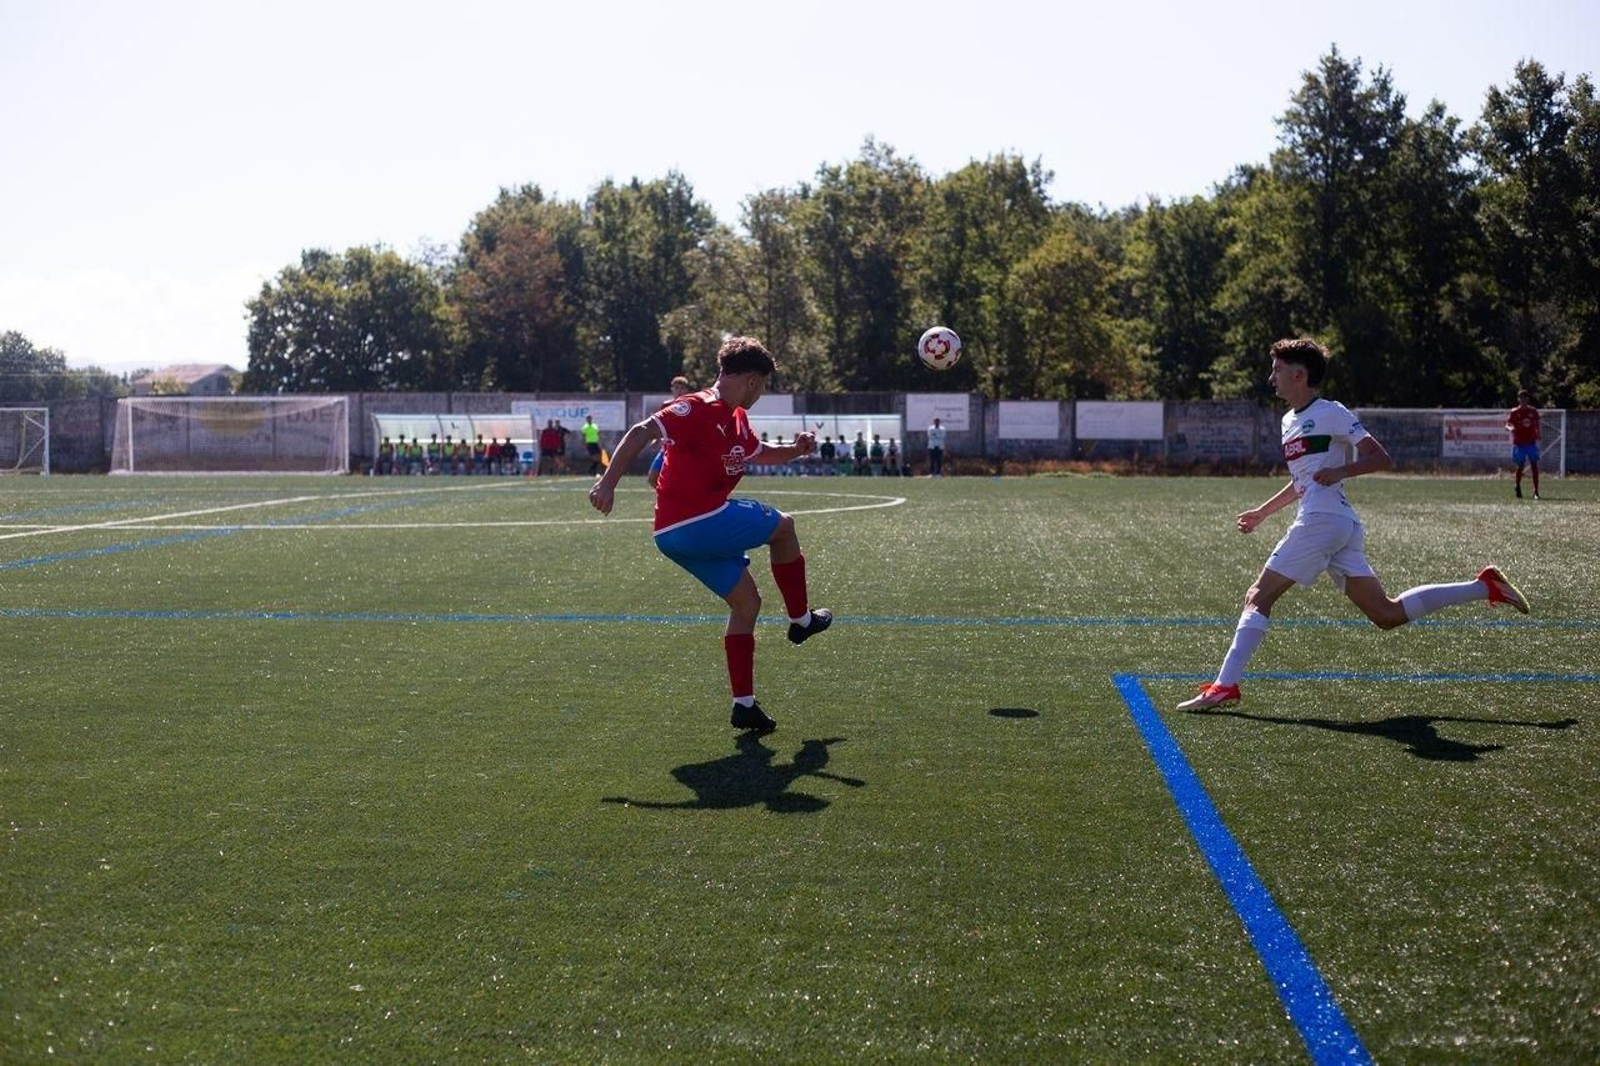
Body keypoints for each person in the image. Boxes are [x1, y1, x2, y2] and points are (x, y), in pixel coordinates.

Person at [1176, 337, 1531, 711]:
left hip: (1323, 521)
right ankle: (1484, 586)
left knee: (1258, 595)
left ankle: (1224, 685)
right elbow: (1303, 482)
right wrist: (1263, 512)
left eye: (1278, 370)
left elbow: (1380, 457)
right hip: (1333, 522)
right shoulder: (1288, 421)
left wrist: (1342, 470)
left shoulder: (1331, 412)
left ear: (1300, 375)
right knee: (1386, 614)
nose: (1272, 377)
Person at [588, 336, 833, 732]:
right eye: (764, 385)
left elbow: (759, 453)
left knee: (747, 604)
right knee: (784, 527)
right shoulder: (697, 407)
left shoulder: (736, 419)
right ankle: (801, 620)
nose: (762, 393)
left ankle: (744, 705)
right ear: (753, 380)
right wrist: (607, 483)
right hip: (696, 520)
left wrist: (795, 449)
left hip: (676, 536)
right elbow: (641, 430)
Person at [648, 375, 694, 489]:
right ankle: (665, 497)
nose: (679, 391)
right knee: (652, 478)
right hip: (667, 448)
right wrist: (657, 439)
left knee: (682, 479)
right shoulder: (666, 405)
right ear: (672, 389)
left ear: (687, 390)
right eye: (676, 388)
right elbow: (661, 426)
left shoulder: (693, 406)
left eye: (682, 388)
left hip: (683, 450)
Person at [1505, 390, 1541, 500]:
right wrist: (1511, 428)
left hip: (1530, 442)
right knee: (1520, 466)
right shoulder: (1514, 412)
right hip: (1519, 443)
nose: (1523, 400)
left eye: (1525, 398)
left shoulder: (1533, 411)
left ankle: (1536, 491)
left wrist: (1538, 433)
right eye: (1521, 398)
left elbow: (1537, 422)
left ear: (1528, 399)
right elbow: (1507, 424)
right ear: (1518, 399)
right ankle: (1517, 486)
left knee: (1534, 465)